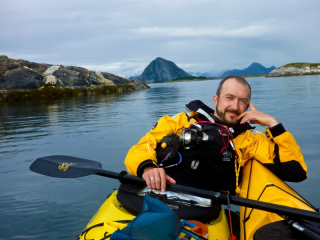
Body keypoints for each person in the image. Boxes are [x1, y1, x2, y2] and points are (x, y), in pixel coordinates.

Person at [124, 76, 307, 195]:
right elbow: (142, 147)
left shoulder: (250, 141)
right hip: (154, 191)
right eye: (229, 97)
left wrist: (275, 126)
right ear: (215, 100)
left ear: (248, 105)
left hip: (202, 206)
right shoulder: (180, 121)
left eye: (242, 101)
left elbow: (296, 171)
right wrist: (147, 168)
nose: (235, 106)